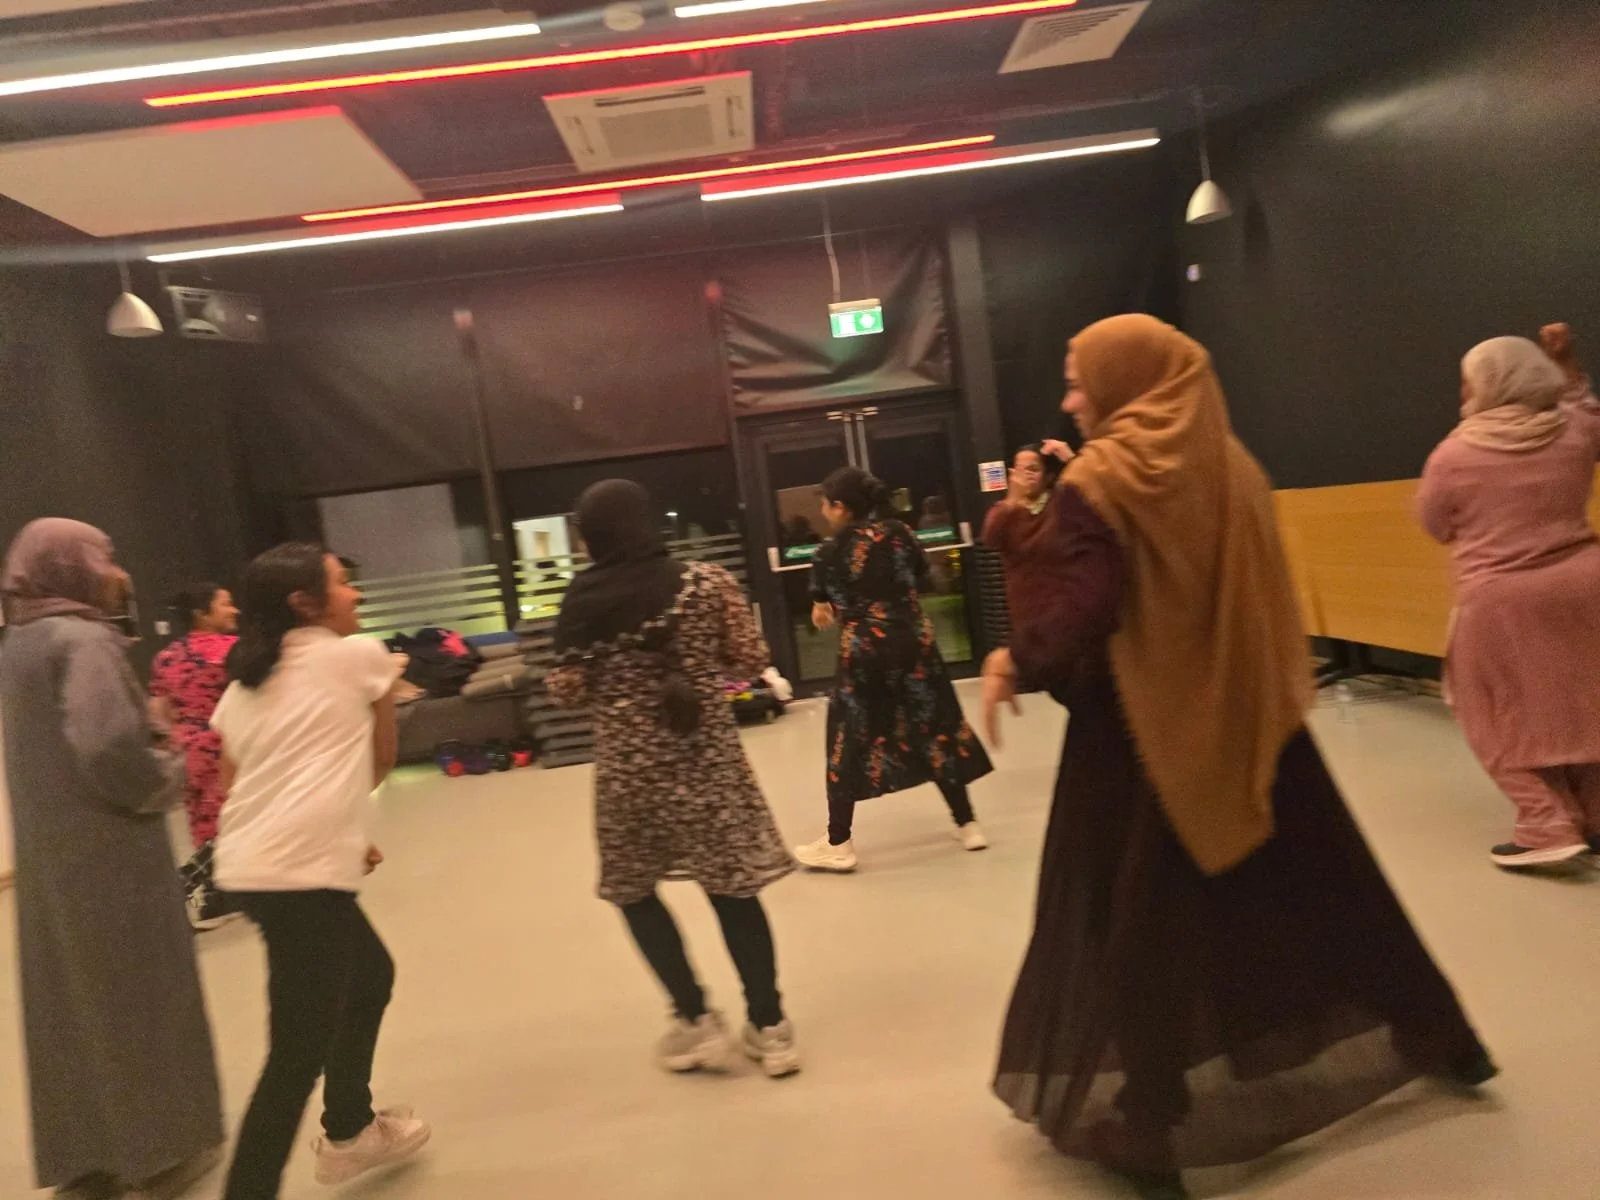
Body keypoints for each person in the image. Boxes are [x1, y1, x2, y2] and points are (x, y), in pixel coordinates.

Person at [982, 316, 1494, 1200]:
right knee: (1332, 887)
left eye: (1078, 378)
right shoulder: (1234, 468)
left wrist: (1014, 655)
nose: (1070, 398)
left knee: (1135, 924)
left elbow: (1091, 604)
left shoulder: (1106, 476)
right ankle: (1446, 1040)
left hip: (1140, 740)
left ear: (1127, 381)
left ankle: (1153, 1123)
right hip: (1255, 725)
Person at [0, 519, 223, 1200]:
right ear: (74, 567)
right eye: (105, 556)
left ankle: (85, 1157)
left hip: (50, 857)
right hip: (112, 852)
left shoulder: (17, 643)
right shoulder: (84, 638)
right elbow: (107, 750)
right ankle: (160, 1152)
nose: (116, 569)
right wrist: (169, 771)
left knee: (68, 1007)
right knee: (139, 997)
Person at [547, 480, 801, 1077]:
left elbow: (566, 690)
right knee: (734, 889)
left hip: (631, 775)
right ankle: (770, 1027)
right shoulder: (707, 583)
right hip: (706, 762)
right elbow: (746, 656)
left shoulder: (582, 599)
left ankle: (694, 1019)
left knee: (634, 891)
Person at [210, 544, 428, 1199]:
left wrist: (330, 830)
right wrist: (332, 825)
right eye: (341, 584)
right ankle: (276, 1176)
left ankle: (351, 1127)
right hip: (297, 874)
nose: (355, 596)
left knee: (370, 975)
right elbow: (382, 758)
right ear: (306, 603)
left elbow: (232, 779)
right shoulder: (358, 656)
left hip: (254, 863)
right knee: (294, 1057)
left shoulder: (246, 682)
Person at [1417, 336, 1600, 868]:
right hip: (1584, 588)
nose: (1463, 391)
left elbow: (1434, 523)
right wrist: (1568, 366)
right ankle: (1592, 816)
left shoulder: (1454, 452)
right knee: (1583, 707)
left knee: (1490, 714)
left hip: (1498, 599)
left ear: (1490, 385)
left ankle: (1545, 826)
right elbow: (1585, 403)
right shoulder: (1574, 429)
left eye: (1468, 380)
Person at [795, 466, 994, 872]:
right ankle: (968, 824)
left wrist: (828, 609)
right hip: (914, 646)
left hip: (864, 655)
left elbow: (822, 607)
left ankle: (839, 843)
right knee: (933, 724)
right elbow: (921, 578)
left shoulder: (827, 553)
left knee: (847, 739)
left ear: (840, 507)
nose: (821, 510)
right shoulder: (902, 535)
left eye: (825, 503)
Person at [149, 581, 240, 929]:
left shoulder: (166, 657)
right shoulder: (234, 651)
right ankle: (183, 881)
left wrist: (174, 741)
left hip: (187, 749)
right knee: (234, 823)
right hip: (227, 745)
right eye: (226, 604)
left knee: (205, 821)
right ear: (202, 613)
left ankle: (219, 899)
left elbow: (158, 710)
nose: (234, 611)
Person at [982, 444, 1066, 629]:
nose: (1026, 475)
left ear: (1048, 476)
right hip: (1026, 611)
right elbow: (990, 538)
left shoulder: (1060, 505)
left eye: (1033, 469)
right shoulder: (1004, 510)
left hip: (1065, 606)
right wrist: (1012, 501)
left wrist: (1071, 460)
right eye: (1020, 470)